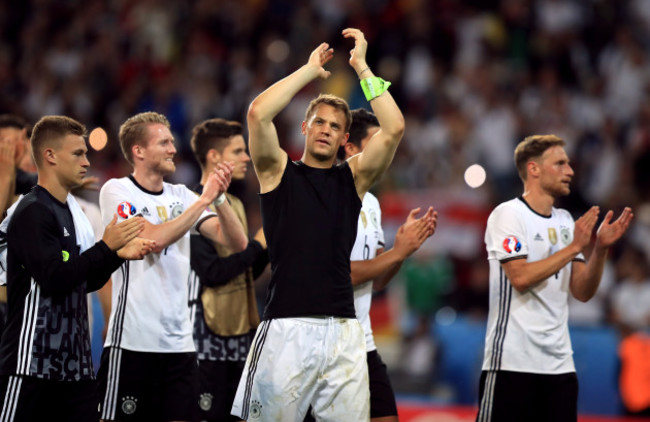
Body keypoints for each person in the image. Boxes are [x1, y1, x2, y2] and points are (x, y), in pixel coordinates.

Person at [231, 28, 405, 422]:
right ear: (305, 128)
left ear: (346, 136)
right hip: (286, 327)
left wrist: (362, 68)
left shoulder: (353, 179)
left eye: (335, 126)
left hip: (345, 332)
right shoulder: (277, 172)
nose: (326, 129)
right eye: (319, 122)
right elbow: (258, 113)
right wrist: (309, 72)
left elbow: (393, 128)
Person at [0, 115, 155, 422]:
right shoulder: (31, 211)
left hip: (75, 368)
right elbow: (54, 277)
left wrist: (116, 254)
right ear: (50, 156)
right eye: (78, 153)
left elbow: (85, 280)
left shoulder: (73, 212)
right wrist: (105, 247)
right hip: (33, 365)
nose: (87, 161)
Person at [97, 111, 249, 422]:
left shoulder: (180, 195)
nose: (172, 149)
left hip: (180, 345)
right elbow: (153, 239)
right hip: (131, 342)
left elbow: (235, 243)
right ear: (138, 151)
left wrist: (219, 200)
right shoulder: (117, 191)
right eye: (164, 142)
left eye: (172, 142)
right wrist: (203, 199)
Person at [476, 134, 634, 422]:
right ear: (534, 169)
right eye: (560, 163)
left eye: (569, 164)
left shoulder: (564, 222)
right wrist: (574, 247)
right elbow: (520, 277)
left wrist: (599, 250)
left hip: (559, 366)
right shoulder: (508, 215)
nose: (570, 171)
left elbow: (582, 291)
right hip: (512, 363)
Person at [305, 108, 437, 422]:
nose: (386, 152)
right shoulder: (324, 194)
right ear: (350, 148)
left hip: (360, 339)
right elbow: (338, 274)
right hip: (322, 342)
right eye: (378, 142)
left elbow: (378, 279)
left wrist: (403, 249)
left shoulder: (373, 203)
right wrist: (396, 253)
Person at [188, 118, 269, 422]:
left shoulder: (233, 202)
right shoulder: (191, 204)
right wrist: (258, 246)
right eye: (237, 151)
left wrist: (267, 246)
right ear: (214, 157)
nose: (246, 158)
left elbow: (245, 270)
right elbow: (212, 272)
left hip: (239, 337)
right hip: (206, 340)